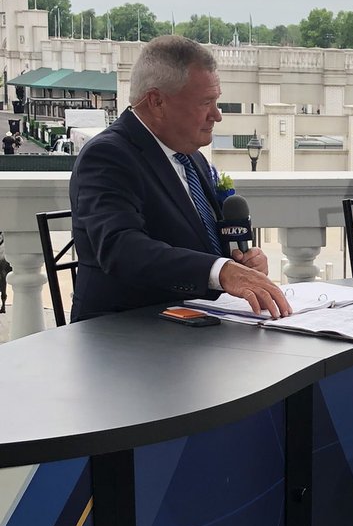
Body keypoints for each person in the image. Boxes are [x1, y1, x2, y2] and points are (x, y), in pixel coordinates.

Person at [70, 35, 291, 321]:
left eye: (216, 101)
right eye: (206, 103)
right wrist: (221, 271)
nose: (217, 115)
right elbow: (121, 249)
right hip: (126, 330)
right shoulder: (107, 156)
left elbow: (201, 244)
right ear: (157, 101)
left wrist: (242, 263)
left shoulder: (191, 156)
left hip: (196, 324)